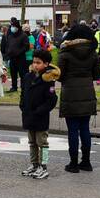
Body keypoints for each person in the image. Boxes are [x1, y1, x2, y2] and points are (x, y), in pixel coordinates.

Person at [57, 23, 100, 173]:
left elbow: (59, 76)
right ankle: (86, 162)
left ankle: (73, 163)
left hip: (70, 92)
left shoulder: (65, 52)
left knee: (73, 131)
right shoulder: (93, 53)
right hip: (87, 92)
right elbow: (96, 75)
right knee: (85, 129)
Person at [19, 48, 60, 179]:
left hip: (40, 116)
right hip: (28, 115)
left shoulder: (48, 80)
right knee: (32, 142)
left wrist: (41, 110)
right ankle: (34, 164)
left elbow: (52, 99)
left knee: (42, 143)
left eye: (38, 62)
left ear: (46, 64)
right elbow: (23, 93)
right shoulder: (28, 77)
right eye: (34, 62)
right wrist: (22, 105)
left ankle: (44, 166)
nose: (35, 65)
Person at [3, 17, 30, 92]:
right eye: (11, 26)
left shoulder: (23, 35)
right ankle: (14, 87)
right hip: (12, 58)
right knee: (13, 74)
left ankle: (23, 87)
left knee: (22, 74)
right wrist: (7, 53)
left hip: (21, 58)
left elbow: (26, 47)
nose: (12, 28)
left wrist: (18, 52)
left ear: (17, 27)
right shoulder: (10, 35)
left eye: (14, 26)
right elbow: (8, 45)